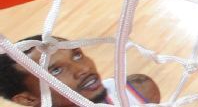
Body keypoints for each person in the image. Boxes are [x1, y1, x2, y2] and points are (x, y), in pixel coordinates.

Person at [0, 35, 160, 106]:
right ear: (28, 99)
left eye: (77, 55)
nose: (83, 69)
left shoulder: (137, 89)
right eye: (55, 70)